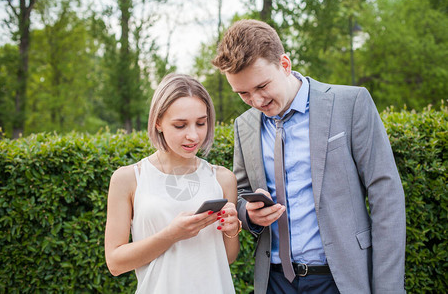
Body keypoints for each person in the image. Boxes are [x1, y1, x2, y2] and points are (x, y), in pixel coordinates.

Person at [212, 19, 406, 294]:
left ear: (285, 64)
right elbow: (241, 194)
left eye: (262, 86)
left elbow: (386, 197)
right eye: (243, 93)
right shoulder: (244, 125)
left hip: (341, 280)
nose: (256, 101)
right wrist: (251, 215)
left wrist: (388, 289)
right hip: (274, 282)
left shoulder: (350, 104)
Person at [104, 73, 240, 293]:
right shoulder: (128, 179)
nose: (193, 135)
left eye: (201, 123)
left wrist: (232, 230)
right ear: (158, 122)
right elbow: (115, 263)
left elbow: (228, 257)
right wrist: (171, 235)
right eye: (180, 125)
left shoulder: (223, 179)